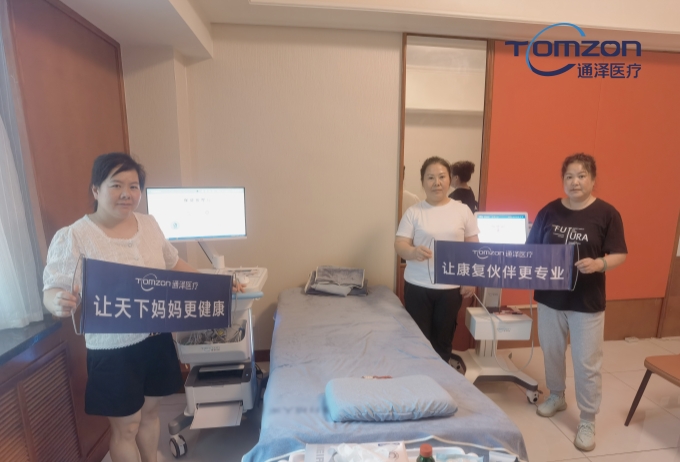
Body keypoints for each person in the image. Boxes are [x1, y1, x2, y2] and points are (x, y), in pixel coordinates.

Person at [42, 153, 240, 462]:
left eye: (134, 186)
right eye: (116, 185)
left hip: (155, 339)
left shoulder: (149, 225)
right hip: (113, 348)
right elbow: (52, 287)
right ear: (96, 189)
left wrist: (217, 285)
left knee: (150, 415)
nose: (126, 194)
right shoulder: (74, 236)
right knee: (127, 427)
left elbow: (174, 263)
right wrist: (57, 300)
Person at [526, 153, 627, 452]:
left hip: (587, 301)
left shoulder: (607, 213)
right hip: (549, 298)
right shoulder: (549, 211)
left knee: (586, 362)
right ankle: (556, 395)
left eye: (582, 176)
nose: (575, 182)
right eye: (569, 176)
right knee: (552, 351)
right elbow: (531, 249)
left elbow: (620, 254)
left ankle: (587, 419)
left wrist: (600, 264)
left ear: (593, 179)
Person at [395, 156, 479, 362]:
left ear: (450, 179)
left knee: (443, 339)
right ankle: (419, 377)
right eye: (430, 177)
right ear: (423, 182)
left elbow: (473, 247)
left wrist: (470, 278)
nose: (437, 182)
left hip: (450, 288)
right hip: (418, 285)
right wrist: (413, 252)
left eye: (442, 177)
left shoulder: (462, 211)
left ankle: (441, 377)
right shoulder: (414, 212)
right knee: (418, 340)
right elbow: (400, 244)